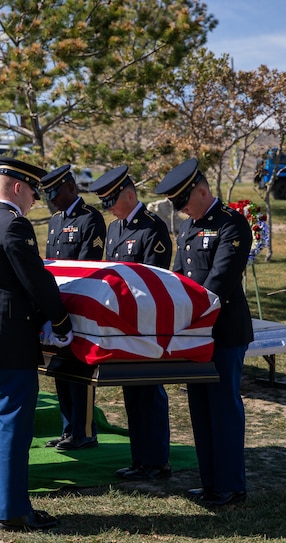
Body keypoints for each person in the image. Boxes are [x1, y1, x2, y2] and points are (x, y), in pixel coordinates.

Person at [0, 157, 73, 532]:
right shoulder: (14, 225)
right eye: (32, 192)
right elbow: (36, 280)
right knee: (12, 425)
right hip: (8, 341)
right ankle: (12, 511)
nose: (33, 201)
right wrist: (60, 319)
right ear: (16, 188)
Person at [155, 158, 253, 507]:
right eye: (176, 206)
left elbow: (220, 281)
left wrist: (192, 316)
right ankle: (210, 482)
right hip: (194, 334)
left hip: (223, 331)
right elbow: (179, 276)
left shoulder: (232, 224)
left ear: (201, 191)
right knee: (200, 408)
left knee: (223, 408)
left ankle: (231, 486)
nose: (180, 211)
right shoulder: (188, 228)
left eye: (183, 202)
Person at [88, 165, 173, 481]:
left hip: (146, 324)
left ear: (128, 194)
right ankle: (140, 459)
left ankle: (157, 461)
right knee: (131, 392)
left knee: (149, 392)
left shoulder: (152, 228)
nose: (107, 207)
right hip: (121, 324)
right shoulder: (114, 229)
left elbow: (156, 279)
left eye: (110, 199)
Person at [41, 164, 106, 451]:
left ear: (70, 187)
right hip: (58, 305)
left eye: (55, 192)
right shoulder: (55, 221)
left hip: (79, 304)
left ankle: (86, 431)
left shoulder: (89, 219)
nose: (52, 199)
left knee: (80, 370)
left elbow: (87, 265)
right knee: (61, 369)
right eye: (48, 194)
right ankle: (69, 429)